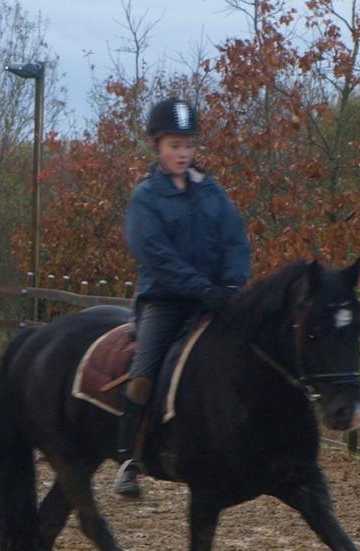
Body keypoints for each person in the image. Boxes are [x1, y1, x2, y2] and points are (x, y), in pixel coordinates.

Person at [115, 96, 252, 498]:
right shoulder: (146, 198)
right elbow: (156, 256)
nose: (183, 153)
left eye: (188, 145)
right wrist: (202, 289)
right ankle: (127, 457)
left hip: (216, 299)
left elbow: (236, 240)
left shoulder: (211, 192)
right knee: (144, 370)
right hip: (166, 301)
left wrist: (231, 286)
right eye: (175, 145)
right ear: (157, 146)